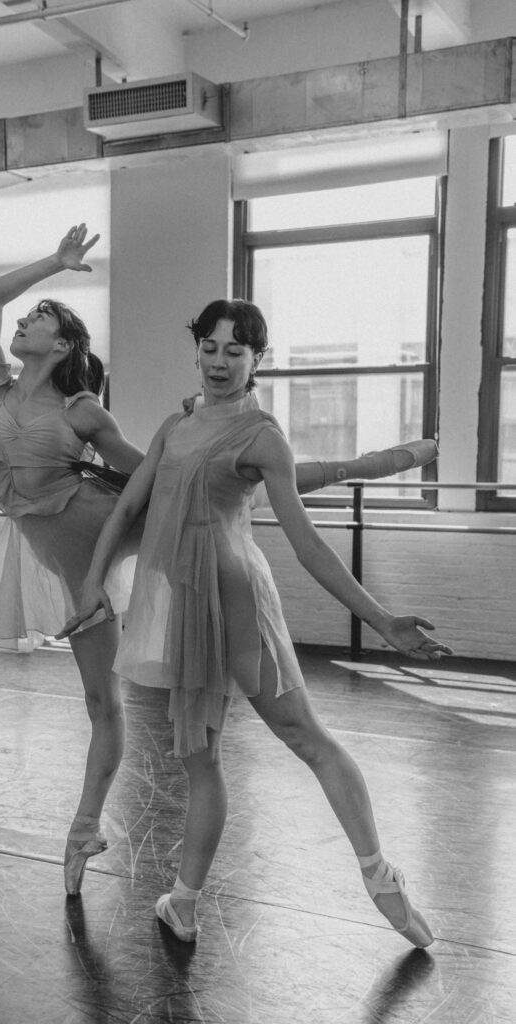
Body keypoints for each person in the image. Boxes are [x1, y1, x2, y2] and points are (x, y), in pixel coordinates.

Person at [60, 297, 451, 946]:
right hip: (186, 606)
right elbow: (129, 503)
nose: (218, 361)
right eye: (208, 348)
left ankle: (379, 874)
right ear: (196, 351)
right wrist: (87, 588)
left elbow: (306, 544)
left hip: (237, 602)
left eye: (233, 351)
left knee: (303, 735)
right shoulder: (174, 425)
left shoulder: (262, 436)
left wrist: (380, 619)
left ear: (256, 360)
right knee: (198, 759)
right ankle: (182, 903)